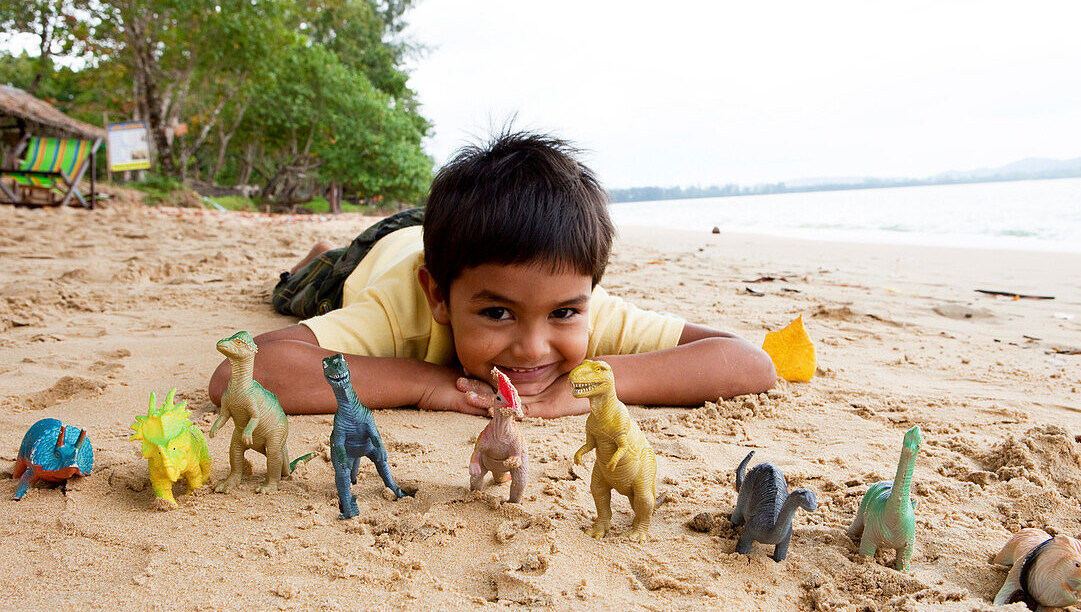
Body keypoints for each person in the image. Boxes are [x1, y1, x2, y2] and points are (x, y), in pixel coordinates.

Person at [208, 132, 776, 418]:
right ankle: (320, 252)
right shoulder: (400, 313)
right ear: (440, 298)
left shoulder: (584, 308)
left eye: (564, 312)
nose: (533, 348)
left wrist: (594, 386)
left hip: (449, 238)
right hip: (379, 252)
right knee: (299, 292)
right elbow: (244, 371)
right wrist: (423, 383)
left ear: (589, 294)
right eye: (497, 312)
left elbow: (750, 362)